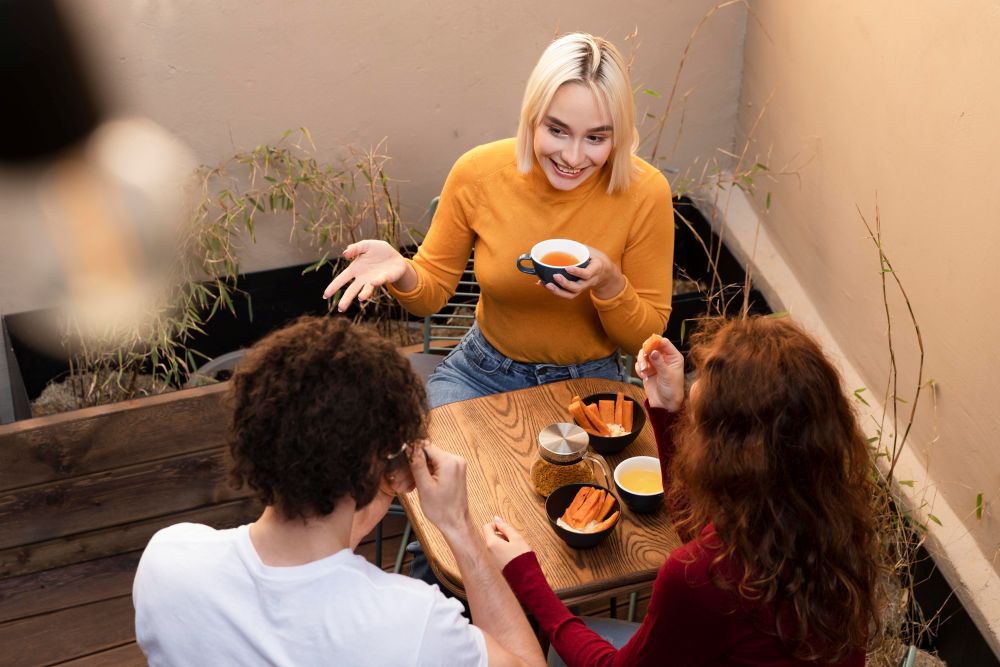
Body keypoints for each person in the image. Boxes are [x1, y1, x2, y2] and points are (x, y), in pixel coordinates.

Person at [132, 316, 546, 667]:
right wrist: (459, 528)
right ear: (385, 463)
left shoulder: (168, 562)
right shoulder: (413, 623)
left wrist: (373, 486)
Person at [484, 316, 885, 666]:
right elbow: (704, 531)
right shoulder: (832, 519)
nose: (693, 389)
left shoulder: (697, 577)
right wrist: (666, 410)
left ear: (729, 454)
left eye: (700, 413)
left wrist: (526, 575)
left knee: (543, 646)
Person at [323, 32, 674, 408]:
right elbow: (431, 293)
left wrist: (609, 283)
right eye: (557, 130)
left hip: (590, 380)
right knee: (442, 460)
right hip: (481, 372)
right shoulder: (478, 173)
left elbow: (644, 339)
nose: (572, 157)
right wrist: (402, 269)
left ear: (617, 137)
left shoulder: (646, 192)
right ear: (532, 117)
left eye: (595, 138)